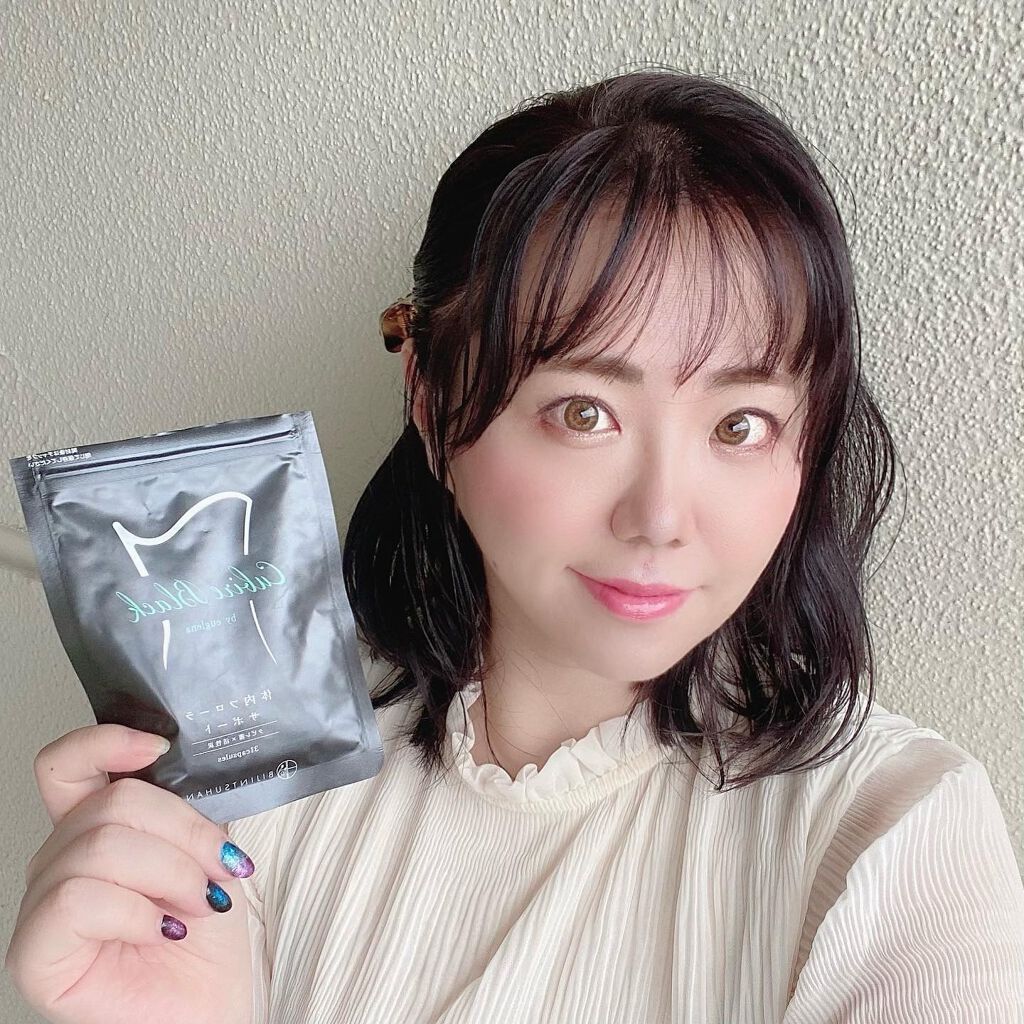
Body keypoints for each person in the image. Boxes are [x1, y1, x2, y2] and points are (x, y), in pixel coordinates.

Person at [5, 68, 1023, 1024]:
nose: (661, 516)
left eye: (740, 424)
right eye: (584, 413)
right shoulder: (258, 801)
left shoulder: (893, 832)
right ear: (435, 404)